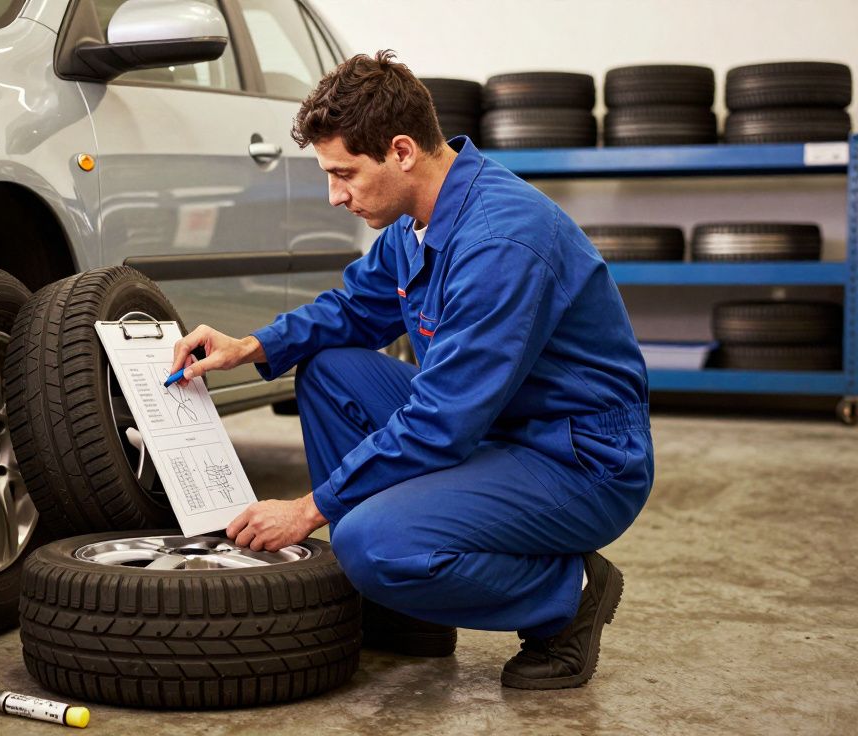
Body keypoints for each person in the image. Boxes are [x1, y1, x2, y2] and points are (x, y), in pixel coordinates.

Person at [168, 51, 653, 690]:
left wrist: (310, 509)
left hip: (579, 458)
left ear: (400, 151)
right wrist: (250, 345)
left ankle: (567, 594)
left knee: (369, 542)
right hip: (499, 425)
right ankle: (410, 611)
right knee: (329, 369)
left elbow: (441, 422)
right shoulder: (417, 220)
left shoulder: (499, 243)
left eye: (344, 174)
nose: (334, 195)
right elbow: (353, 311)